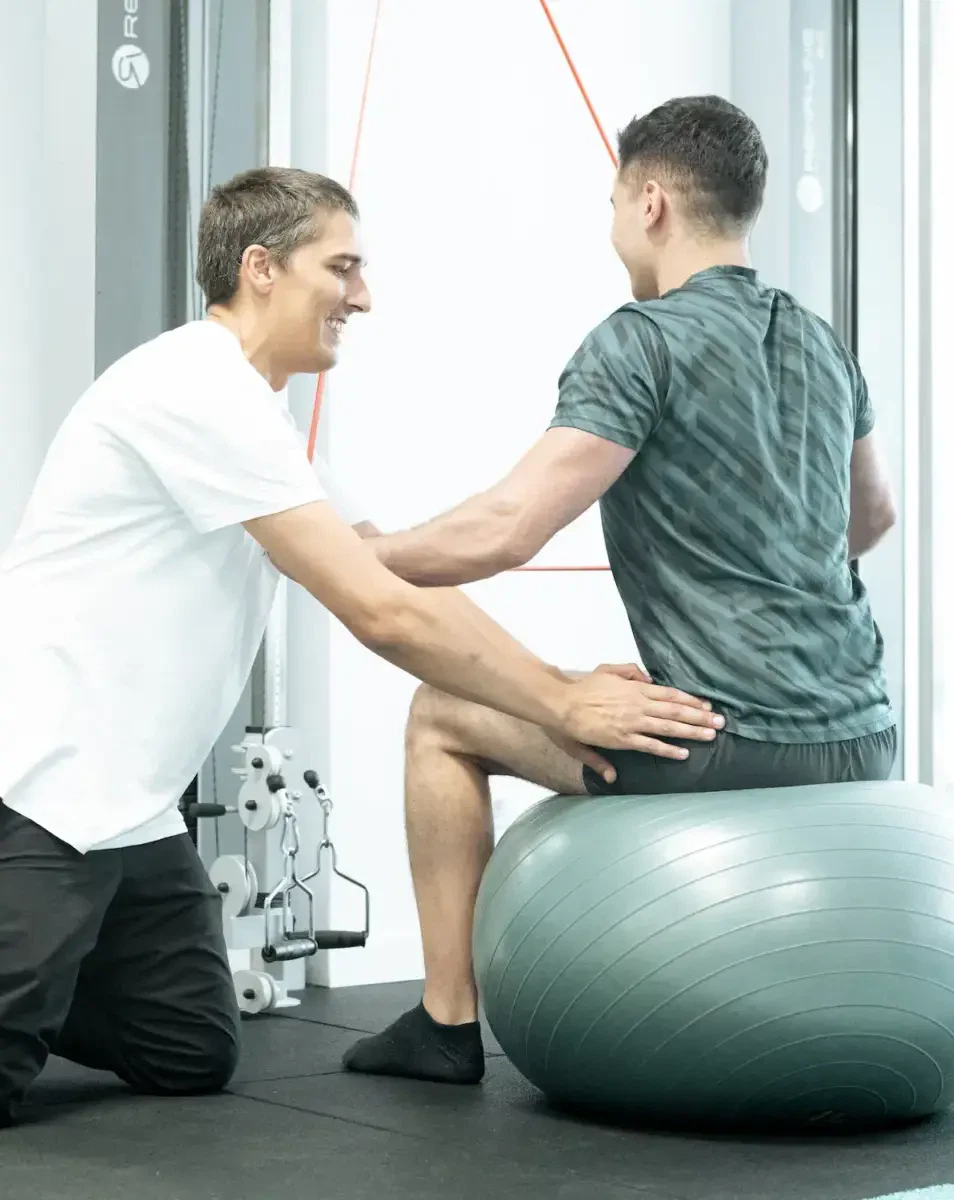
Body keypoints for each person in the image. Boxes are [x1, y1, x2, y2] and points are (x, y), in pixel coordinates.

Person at [0, 168, 724, 1128]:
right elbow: (376, 608)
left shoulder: (259, 418)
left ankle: (42, 980)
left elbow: (383, 559)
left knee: (189, 1052)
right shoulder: (190, 387)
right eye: (341, 268)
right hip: (44, 791)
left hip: (135, 811)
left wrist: (560, 648)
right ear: (260, 267)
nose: (364, 295)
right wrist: (557, 700)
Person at [340, 95, 899, 1087]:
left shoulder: (639, 341)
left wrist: (361, 553)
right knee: (576, 681)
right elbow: (871, 521)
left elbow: (508, 526)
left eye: (610, 204)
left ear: (650, 204)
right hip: (864, 732)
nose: (610, 229)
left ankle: (443, 1023)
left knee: (439, 713)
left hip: (733, 747)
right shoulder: (822, 342)